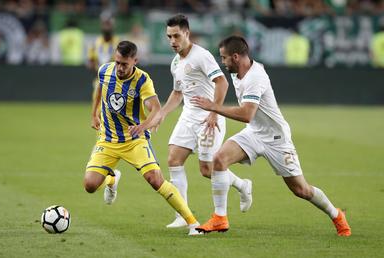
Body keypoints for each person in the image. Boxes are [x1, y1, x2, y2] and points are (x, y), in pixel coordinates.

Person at [192, 35, 351, 236]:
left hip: (276, 139)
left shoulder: (255, 77)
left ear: (235, 57)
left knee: (301, 190)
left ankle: (336, 215)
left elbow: (247, 114)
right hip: (254, 133)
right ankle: (220, 218)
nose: (222, 62)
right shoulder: (238, 71)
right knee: (219, 159)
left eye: (224, 58)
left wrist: (214, 107)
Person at [83, 40, 202, 235]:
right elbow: (100, 89)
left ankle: (193, 223)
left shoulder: (142, 81)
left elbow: (155, 108)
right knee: (89, 185)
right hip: (108, 139)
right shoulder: (105, 70)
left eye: (124, 64)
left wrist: (143, 126)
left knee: (155, 179)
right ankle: (111, 179)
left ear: (135, 61)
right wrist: (94, 113)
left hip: (134, 140)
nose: (120, 68)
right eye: (117, 62)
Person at [159, 14, 252, 229]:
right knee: (173, 160)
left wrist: (213, 113)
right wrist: (162, 113)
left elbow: (222, 83)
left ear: (187, 33)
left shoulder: (201, 56)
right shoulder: (175, 62)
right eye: (169, 37)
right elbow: (177, 93)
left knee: (207, 170)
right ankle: (183, 214)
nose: (172, 41)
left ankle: (242, 185)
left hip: (209, 118)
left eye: (176, 36)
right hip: (188, 116)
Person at [87, 11, 120, 101]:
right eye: (105, 23)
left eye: (108, 23)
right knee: (97, 112)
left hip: (116, 83)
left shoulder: (119, 43)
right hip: (100, 81)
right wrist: (98, 68)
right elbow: (90, 62)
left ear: (113, 25)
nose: (107, 26)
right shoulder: (95, 43)